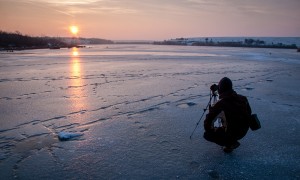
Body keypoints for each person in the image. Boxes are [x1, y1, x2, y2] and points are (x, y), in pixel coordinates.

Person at [203, 77, 252, 153]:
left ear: (220, 89)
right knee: (229, 119)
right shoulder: (243, 99)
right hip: (244, 131)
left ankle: (230, 143)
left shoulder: (221, 104)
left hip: (233, 133)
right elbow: (249, 113)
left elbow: (207, 123)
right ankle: (231, 139)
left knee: (207, 134)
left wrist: (215, 130)